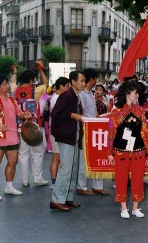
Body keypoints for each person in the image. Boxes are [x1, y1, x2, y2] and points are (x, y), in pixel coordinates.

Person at [107, 81, 148, 218]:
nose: (137, 95)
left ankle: (136, 208)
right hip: (121, 151)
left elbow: (144, 131)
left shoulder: (139, 111)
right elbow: (111, 133)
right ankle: (123, 208)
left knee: (138, 178)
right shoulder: (116, 111)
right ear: (127, 93)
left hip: (138, 150)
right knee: (121, 179)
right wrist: (109, 153)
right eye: (135, 93)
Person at [0, 74, 31, 201]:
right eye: (4, 84)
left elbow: (19, 113)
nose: (7, 86)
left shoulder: (11, 99)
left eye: (7, 83)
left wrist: (24, 114)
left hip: (12, 135)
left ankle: (9, 187)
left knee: (13, 161)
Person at [50, 70, 85, 212]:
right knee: (65, 169)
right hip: (66, 137)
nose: (83, 83)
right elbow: (55, 114)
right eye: (81, 81)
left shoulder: (75, 96)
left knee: (73, 169)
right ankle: (57, 200)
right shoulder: (67, 95)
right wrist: (73, 115)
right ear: (73, 82)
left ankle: (68, 198)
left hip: (73, 136)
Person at [12, 61, 49, 187]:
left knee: (23, 154)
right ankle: (37, 179)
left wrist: (15, 72)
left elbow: (12, 82)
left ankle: (24, 180)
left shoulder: (14, 90)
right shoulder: (35, 91)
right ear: (31, 80)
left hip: (19, 126)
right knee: (37, 153)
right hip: (33, 126)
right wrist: (41, 70)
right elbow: (46, 84)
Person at [77, 68, 109, 196]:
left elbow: (94, 113)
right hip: (86, 130)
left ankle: (97, 186)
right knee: (84, 159)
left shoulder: (91, 94)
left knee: (97, 157)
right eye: (96, 79)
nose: (97, 82)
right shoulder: (82, 94)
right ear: (92, 79)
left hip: (95, 130)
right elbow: (81, 113)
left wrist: (100, 119)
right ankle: (82, 186)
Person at [49, 77, 70, 190]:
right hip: (57, 132)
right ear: (61, 86)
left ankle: (56, 181)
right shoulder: (57, 97)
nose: (68, 88)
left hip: (57, 131)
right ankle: (54, 181)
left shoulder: (56, 97)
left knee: (58, 158)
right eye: (67, 86)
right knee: (57, 157)